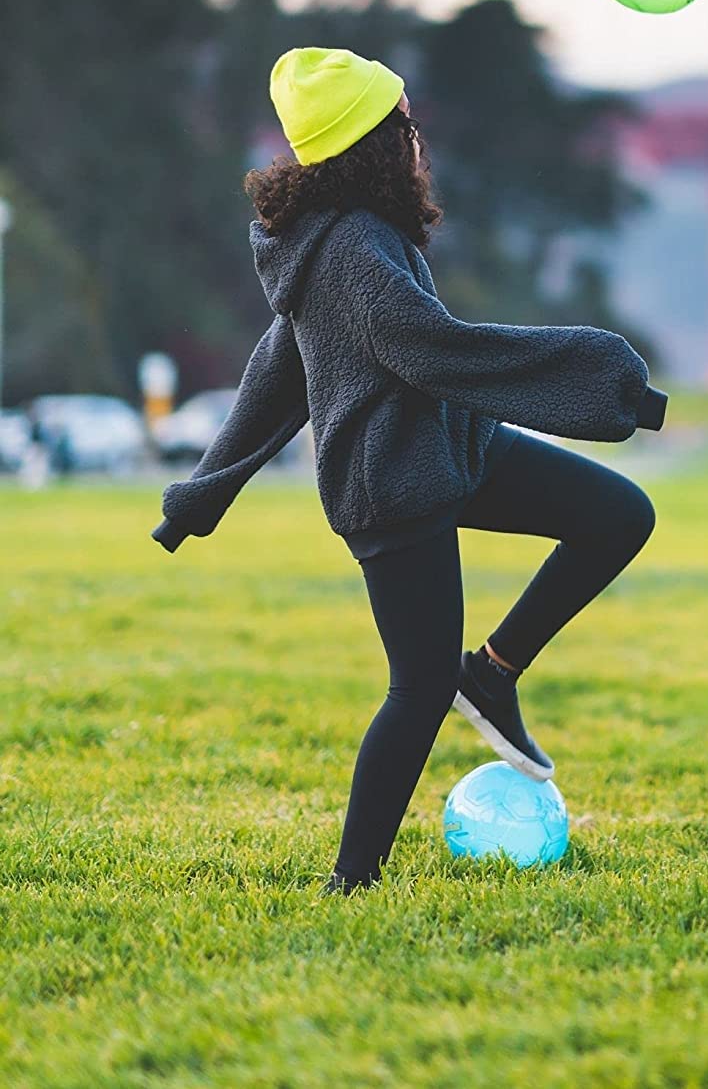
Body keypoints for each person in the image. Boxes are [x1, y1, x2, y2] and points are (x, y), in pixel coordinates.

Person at [150, 47, 666, 893]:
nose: (417, 139)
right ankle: (352, 882)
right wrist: (604, 374)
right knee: (417, 689)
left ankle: (492, 675)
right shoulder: (349, 247)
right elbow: (425, 349)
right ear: (378, 143)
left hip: (452, 449)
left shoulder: (350, 238)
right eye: (406, 125)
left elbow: (277, 371)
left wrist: (202, 491)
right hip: (390, 484)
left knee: (617, 515)